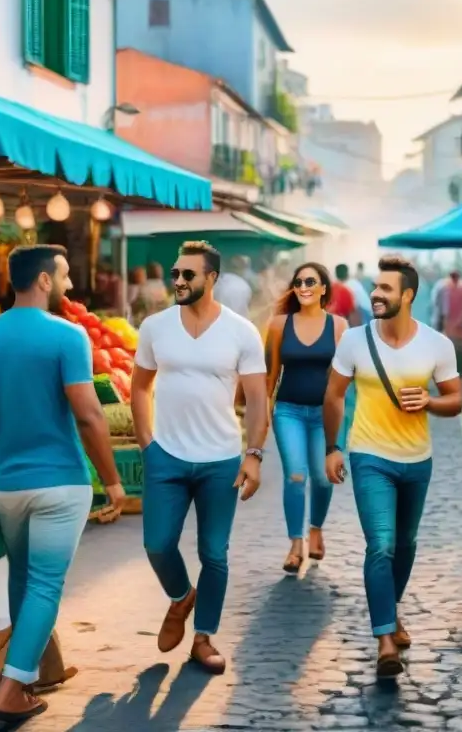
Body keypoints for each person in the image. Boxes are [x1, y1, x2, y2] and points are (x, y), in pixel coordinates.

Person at [0, 245, 125, 724]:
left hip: (9, 485)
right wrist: (114, 482)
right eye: (64, 276)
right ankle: (9, 690)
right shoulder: (67, 337)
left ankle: (39, 671)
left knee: (23, 579)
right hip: (60, 483)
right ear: (44, 281)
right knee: (45, 584)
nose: (68, 285)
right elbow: (89, 416)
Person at [131, 241, 268, 675]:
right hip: (166, 455)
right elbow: (139, 386)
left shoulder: (241, 331)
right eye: (175, 274)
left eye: (188, 275)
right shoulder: (155, 327)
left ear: (211, 279)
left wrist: (254, 455)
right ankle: (179, 598)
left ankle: (204, 638)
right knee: (157, 543)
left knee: (215, 554)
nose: (178, 281)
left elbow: (260, 400)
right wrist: (146, 443)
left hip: (221, 458)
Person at [323, 255, 462, 678]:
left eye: (385, 289)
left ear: (408, 295)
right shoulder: (353, 340)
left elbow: (456, 399)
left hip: (417, 460)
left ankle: (390, 609)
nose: (375, 294)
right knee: (380, 544)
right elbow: (333, 396)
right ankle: (384, 639)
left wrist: (431, 402)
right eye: (375, 287)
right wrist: (332, 447)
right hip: (369, 454)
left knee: (406, 543)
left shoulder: (437, 345)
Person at [265, 263, 347, 574]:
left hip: (323, 415)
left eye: (310, 281)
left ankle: (315, 529)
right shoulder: (278, 325)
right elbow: (270, 376)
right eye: (298, 282)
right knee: (296, 475)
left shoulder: (339, 327)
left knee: (323, 477)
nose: (303, 286)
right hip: (288, 411)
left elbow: (343, 381)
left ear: (324, 288)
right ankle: (295, 543)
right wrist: (261, 418)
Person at [432, 271, 462, 375]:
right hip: (453, 327)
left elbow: (438, 307)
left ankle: (455, 374)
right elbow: (440, 308)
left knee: (455, 353)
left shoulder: (443, 287)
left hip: (456, 327)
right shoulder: (445, 287)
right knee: (452, 352)